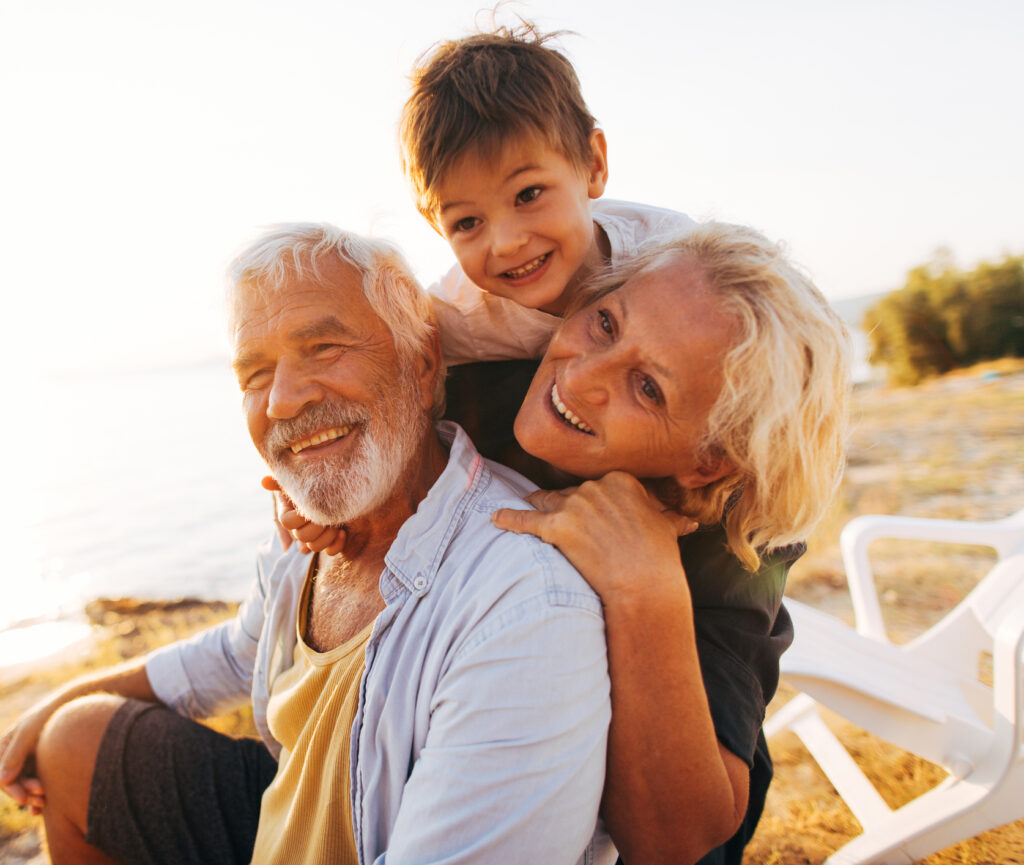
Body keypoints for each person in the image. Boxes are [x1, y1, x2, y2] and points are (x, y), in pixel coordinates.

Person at [0, 224, 615, 865]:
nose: (284, 400)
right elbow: (242, 653)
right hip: (286, 821)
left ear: (423, 356)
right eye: (255, 374)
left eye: (323, 347)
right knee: (76, 742)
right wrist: (59, 698)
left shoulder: (523, 606)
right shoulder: (313, 528)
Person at [281, 221, 852, 865]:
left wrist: (646, 586)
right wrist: (321, 497)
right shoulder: (489, 390)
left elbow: (678, 839)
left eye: (649, 388)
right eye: (606, 324)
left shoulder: (737, 545)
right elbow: (349, 441)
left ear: (709, 462)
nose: (581, 377)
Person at [398, 21, 697, 367]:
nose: (506, 243)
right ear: (440, 230)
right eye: (466, 222)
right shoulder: (459, 317)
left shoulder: (672, 254)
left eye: (527, 195)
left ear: (593, 165)